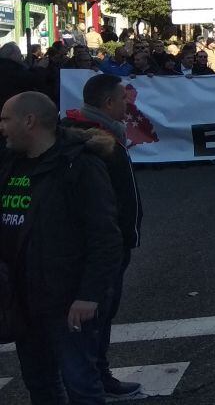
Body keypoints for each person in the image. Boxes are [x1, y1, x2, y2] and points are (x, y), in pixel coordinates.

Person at [0, 92, 123, 404]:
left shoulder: (79, 166)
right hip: (23, 300)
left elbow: (105, 236)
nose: (1, 127)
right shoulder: (11, 164)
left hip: (67, 301)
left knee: (81, 384)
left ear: (29, 121)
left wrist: (89, 295)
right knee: (40, 385)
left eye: (5, 119)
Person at [60, 75, 145, 397]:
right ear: (108, 102)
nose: (128, 104)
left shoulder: (91, 133)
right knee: (94, 314)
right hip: (102, 245)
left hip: (108, 242)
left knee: (101, 314)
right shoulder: (88, 139)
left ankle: (95, 374)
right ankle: (91, 381)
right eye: (124, 99)